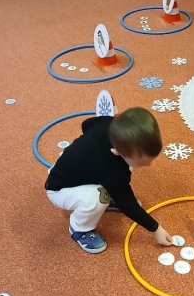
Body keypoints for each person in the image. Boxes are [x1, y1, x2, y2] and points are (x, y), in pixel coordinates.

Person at [45, 107, 173, 254]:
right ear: (117, 151)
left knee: (124, 171)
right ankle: (80, 229)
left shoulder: (110, 125)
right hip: (59, 189)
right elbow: (127, 203)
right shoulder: (113, 169)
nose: (148, 165)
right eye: (142, 162)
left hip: (78, 171)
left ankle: (111, 195)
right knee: (98, 197)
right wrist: (156, 229)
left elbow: (87, 124)